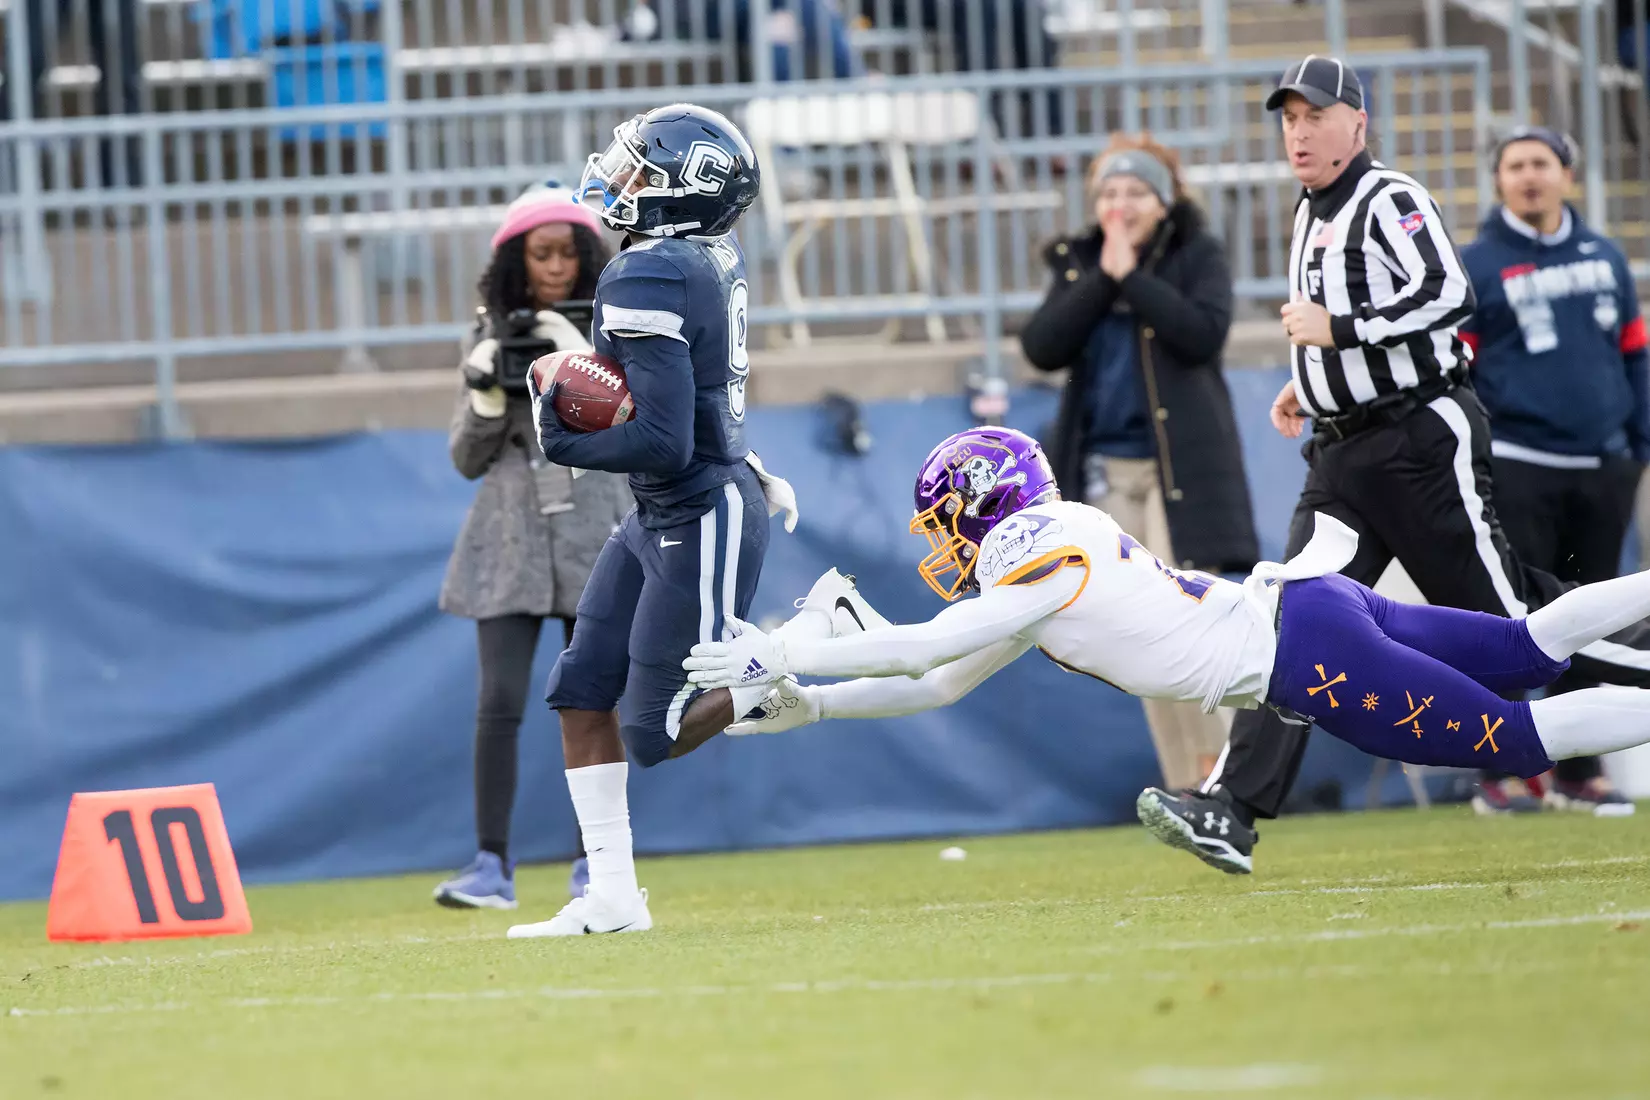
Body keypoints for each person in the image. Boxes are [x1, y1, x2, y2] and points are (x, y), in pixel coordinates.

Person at [680, 427, 1650, 879]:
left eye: (947, 519)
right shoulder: (1040, 555)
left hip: (1302, 653)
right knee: (1526, 643)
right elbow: (935, 682)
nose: (944, 542)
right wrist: (811, 698)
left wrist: (777, 649)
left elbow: (925, 645)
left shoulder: (1031, 546)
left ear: (986, 502)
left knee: (1517, 736)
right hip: (1311, 610)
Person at [1133, 55, 1650, 874]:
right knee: (1286, 619)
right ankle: (1231, 807)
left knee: (1512, 618)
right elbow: (1346, 334)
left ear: (1357, 124)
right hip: (1343, 453)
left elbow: (1449, 295)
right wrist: (1312, 388)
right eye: (1289, 119)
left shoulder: (1391, 197)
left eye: (1315, 116)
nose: (1298, 133)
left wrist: (1338, 334)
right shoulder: (1311, 210)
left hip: (1417, 443)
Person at [503, 104, 881, 938]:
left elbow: (665, 440)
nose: (619, 175)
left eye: (641, 168)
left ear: (686, 189)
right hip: (673, 503)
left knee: (654, 728)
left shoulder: (650, 274)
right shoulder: (697, 255)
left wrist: (561, 436)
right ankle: (612, 897)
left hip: (696, 506)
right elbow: (696, 403)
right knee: (579, 692)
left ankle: (806, 635)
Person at [1019, 133, 1258, 791]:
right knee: (1140, 635)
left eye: (1135, 192)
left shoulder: (1195, 254)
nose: (1119, 205)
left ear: (1164, 200)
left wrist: (1135, 280)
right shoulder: (1080, 263)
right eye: (1108, 193)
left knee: (1189, 620)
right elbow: (1043, 346)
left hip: (1181, 473)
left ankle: (1230, 778)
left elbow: (1202, 333)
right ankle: (1187, 782)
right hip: (1107, 470)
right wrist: (1104, 277)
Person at [429, 186, 634, 910]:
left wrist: (579, 360)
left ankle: (597, 866)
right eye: (540, 255)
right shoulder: (491, 328)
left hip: (598, 525)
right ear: (516, 261)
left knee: (593, 701)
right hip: (510, 535)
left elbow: (628, 431)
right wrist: (486, 391)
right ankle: (491, 866)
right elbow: (465, 456)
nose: (555, 268)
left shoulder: (620, 322)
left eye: (567, 254)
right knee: (500, 703)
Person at [1459, 126, 1649, 815]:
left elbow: (1633, 350)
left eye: (1541, 163)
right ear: (1499, 179)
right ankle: (1497, 766)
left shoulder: (1603, 254)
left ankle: (1577, 770)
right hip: (1519, 463)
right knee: (1511, 619)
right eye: (1515, 166)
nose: (1529, 176)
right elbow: (1460, 368)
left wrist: (1636, 444)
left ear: (1566, 173)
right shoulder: (1475, 265)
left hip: (1601, 464)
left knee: (1596, 620)